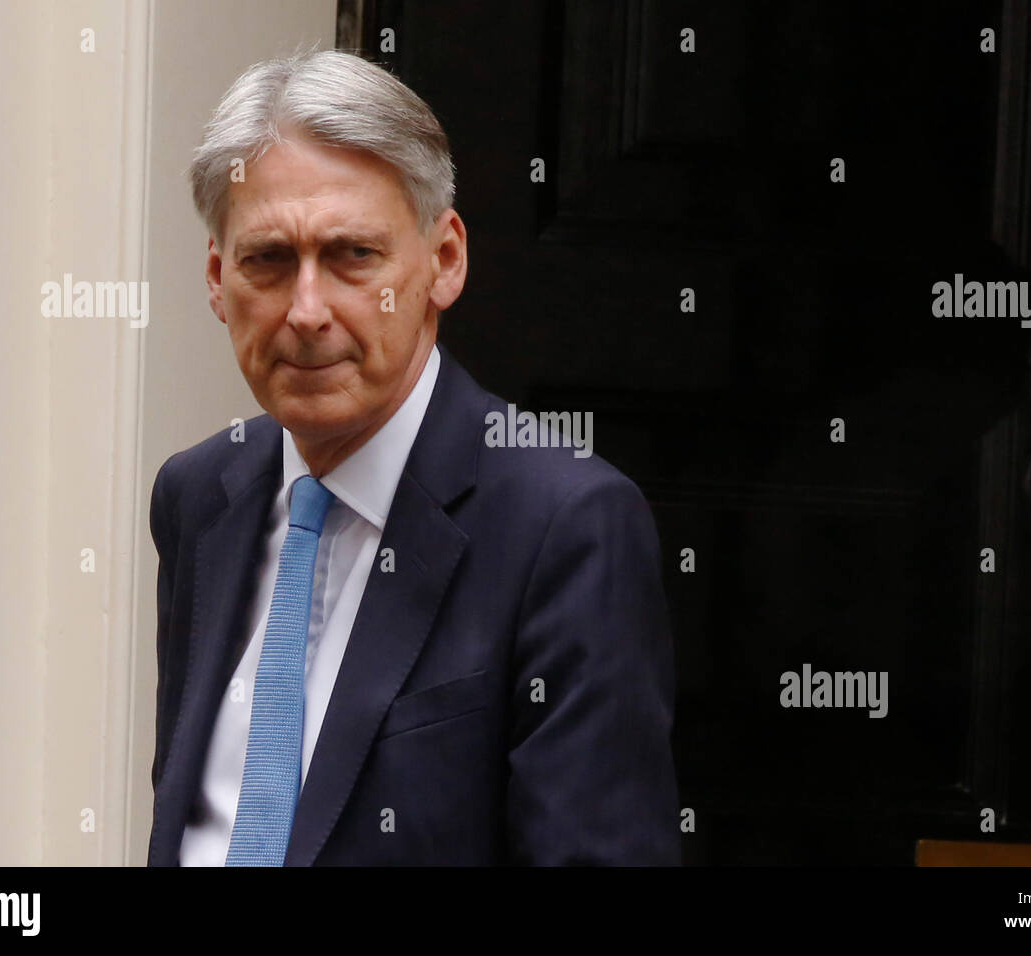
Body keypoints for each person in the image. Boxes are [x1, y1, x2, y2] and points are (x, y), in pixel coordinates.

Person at [146, 48, 680, 866]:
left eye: (354, 256)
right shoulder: (198, 497)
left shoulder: (566, 527)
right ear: (218, 279)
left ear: (445, 261)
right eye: (269, 260)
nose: (307, 311)